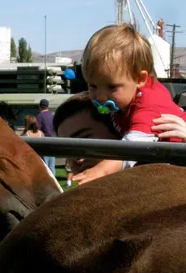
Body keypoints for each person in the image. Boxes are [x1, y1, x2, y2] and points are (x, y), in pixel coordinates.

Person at [73, 23, 186, 185]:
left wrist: (101, 170)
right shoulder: (123, 99)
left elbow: (131, 149)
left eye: (112, 87)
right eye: (93, 86)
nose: (100, 96)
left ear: (140, 79)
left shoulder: (149, 105)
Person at [36, 99, 56, 176]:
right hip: (53, 143)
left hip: (44, 143)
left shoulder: (39, 117)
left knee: (45, 166)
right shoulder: (52, 116)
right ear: (47, 106)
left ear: (40, 106)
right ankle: (54, 183)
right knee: (51, 166)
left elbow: (37, 130)